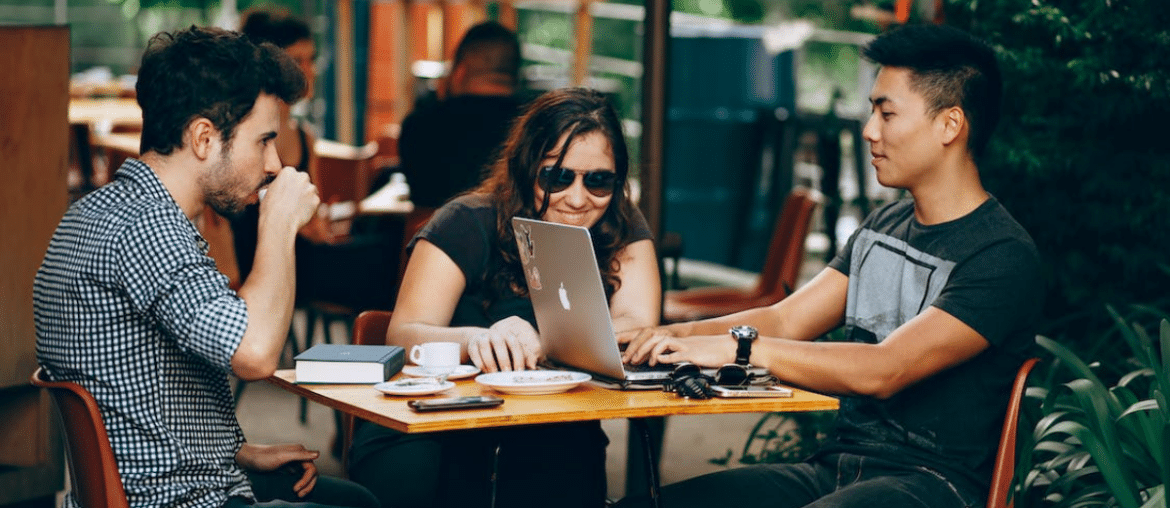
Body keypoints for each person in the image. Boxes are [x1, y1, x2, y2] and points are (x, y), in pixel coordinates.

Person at [618, 24, 1043, 508]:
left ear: (950, 125)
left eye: (886, 113)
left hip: (935, 484)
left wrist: (740, 351)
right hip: (838, 468)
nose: (869, 131)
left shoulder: (1000, 255)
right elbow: (786, 319)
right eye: (871, 112)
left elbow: (886, 368)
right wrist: (672, 338)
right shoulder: (884, 225)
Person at [33, 26, 379, 508]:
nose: (275, 164)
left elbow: (137, 389)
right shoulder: (147, 229)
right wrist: (277, 224)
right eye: (262, 141)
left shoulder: (101, 211)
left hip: (160, 483)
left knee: (353, 499)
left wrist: (235, 453)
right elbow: (255, 354)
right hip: (174, 499)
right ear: (203, 138)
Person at [347, 88, 661, 508]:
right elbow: (400, 335)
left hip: (552, 429)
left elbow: (639, 324)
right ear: (527, 167)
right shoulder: (466, 221)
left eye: (599, 180)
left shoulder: (619, 224)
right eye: (557, 177)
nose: (578, 197)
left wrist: (543, 339)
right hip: (435, 425)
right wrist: (480, 340)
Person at [233, 8, 333, 281]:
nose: (309, 71)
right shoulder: (239, 134)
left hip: (299, 265)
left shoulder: (305, 137)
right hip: (250, 264)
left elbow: (315, 218)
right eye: (297, 61)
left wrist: (314, 224)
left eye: (311, 59)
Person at [397, 21, 526, 209]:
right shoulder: (534, 124)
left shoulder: (419, 125)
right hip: (510, 236)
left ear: (460, 71)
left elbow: (419, 195)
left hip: (432, 235)